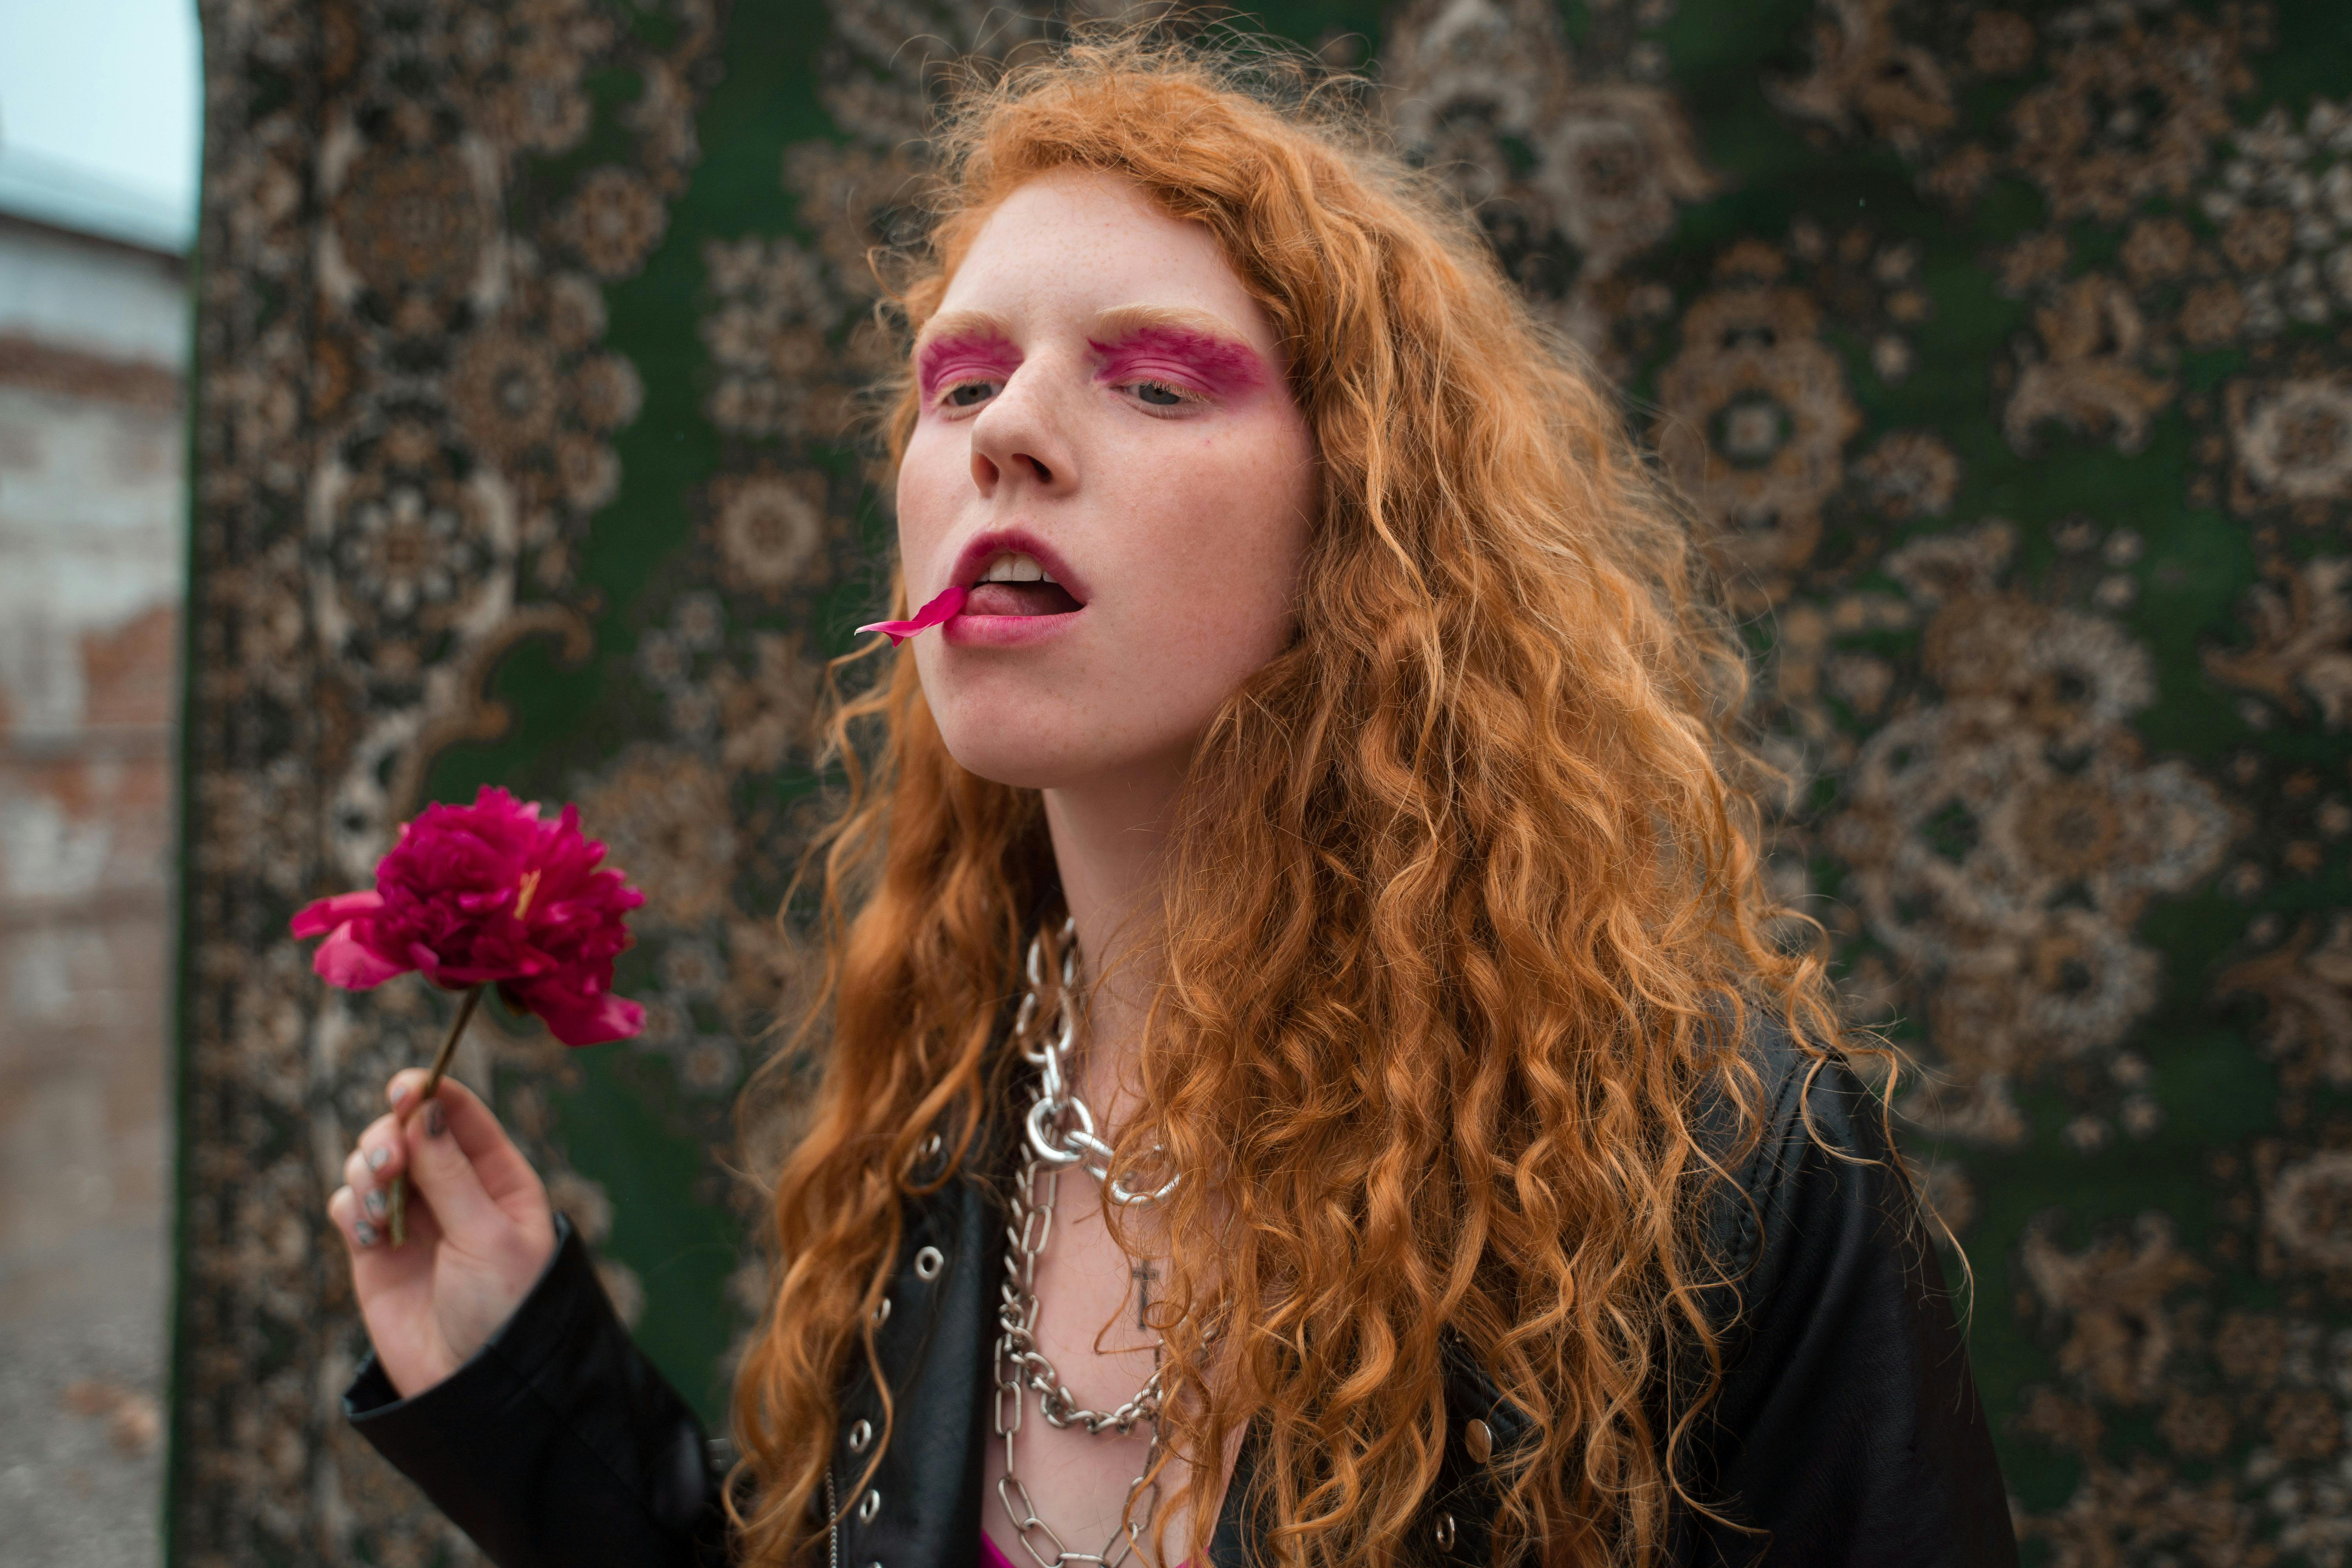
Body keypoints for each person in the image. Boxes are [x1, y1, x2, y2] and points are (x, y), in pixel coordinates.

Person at [324, 31, 2018, 1568]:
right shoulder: (942, 1096)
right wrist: (523, 1390)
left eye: (1153, 382)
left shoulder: (1716, 1169)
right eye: (962, 382)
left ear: (1362, 520)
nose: (1010, 438)